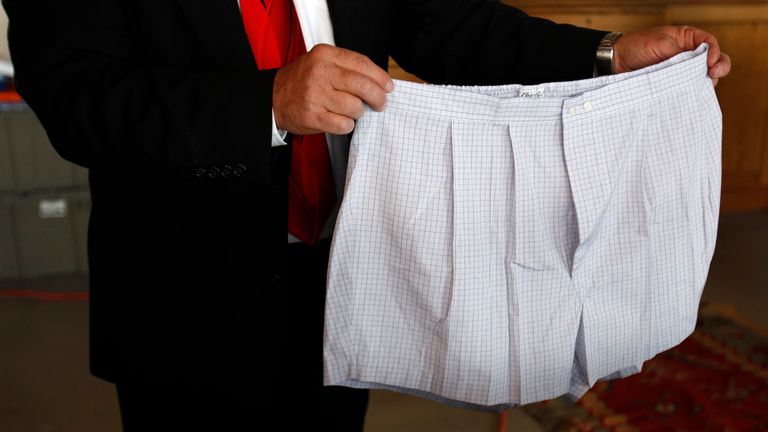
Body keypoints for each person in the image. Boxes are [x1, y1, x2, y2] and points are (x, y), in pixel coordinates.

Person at [2, 0, 731, 430]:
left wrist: (607, 54)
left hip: (348, 274)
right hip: (191, 299)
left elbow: (448, 24)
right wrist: (266, 104)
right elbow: (78, 96)